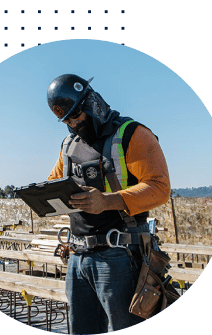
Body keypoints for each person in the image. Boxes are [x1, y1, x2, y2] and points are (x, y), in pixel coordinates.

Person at [46, 74, 170, 334]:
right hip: (78, 257)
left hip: (119, 256)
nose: (73, 123)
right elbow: (53, 182)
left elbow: (159, 188)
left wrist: (107, 201)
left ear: (92, 101)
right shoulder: (69, 146)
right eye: (66, 119)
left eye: (76, 114)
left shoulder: (132, 135)